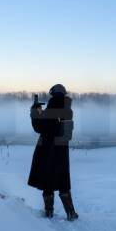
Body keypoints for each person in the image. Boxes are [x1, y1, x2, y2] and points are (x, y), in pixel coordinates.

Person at [28, 84, 79, 221]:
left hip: (47, 150)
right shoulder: (68, 110)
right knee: (63, 182)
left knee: (47, 182)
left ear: (53, 94)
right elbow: (67, 134)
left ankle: (49, 212)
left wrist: (35, 111)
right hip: (62, 150)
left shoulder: (52, 108)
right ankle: (71, 213)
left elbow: (39, 127)